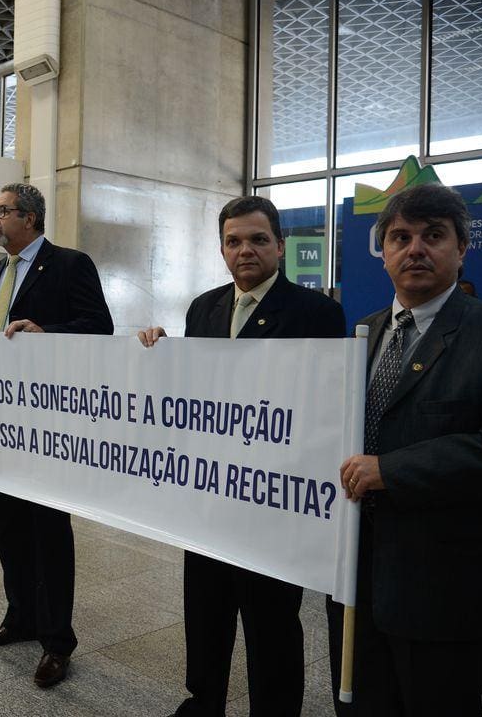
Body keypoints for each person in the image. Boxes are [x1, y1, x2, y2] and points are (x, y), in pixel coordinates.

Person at [327, 184, 482, 717]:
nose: (415, 249)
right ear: (382, 252)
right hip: (356, 578)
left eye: (433, 236)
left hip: (444, 587)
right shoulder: (364, 332)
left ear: (461, 248)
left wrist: (391, 470)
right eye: (400, 237)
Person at [138, 195, 346, 717]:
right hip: (209, 494)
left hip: (272, 500)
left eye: (257, 239)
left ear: (280, 245)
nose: (244, 250)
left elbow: (320, 409)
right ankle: (203, 699)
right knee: (205, 609)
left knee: (270, 619)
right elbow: (193, 394)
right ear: (222, 249)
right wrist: (162, 351)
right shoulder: (204, 307)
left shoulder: (317, 313)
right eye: (233, 241)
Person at [0, 182, 113, 689]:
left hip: (45, 425)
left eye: (2, 211)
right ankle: (21, 617)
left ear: (30, 218)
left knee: (48, 532)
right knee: (6, 525)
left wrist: (48, 334)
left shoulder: (70, 264)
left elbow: (99, 329)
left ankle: (58, 641)